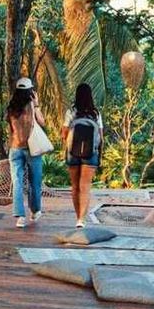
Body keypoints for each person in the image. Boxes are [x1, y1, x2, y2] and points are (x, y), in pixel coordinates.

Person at [62, 83, 104, 228]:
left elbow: (64, 134)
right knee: (85, 187)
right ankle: (82, 219)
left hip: (72, 152)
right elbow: (100, 137)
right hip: (90, 152)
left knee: (75, 186)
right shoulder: (96, 114)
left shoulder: (71, 112)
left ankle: (77, 216)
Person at [7, 77, 46, 228]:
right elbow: (42, 122)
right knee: (34, 181)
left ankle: (20, 217)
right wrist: (37, 105)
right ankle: (35, 211)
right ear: (30, 91)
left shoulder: (11, 107)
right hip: (31, 148)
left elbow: (11, 129)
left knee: (17, 182)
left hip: (15, 148)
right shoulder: (31, 105)